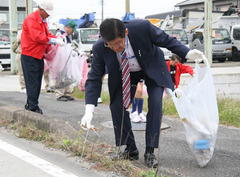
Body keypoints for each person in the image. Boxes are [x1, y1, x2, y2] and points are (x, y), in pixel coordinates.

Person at [80, 18, 206, 168]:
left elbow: (167, 40)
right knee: (116, 105)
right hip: (126, 73)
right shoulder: (100, 47)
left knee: (155, 103)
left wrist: (188, 52)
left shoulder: (142, 28)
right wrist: (89, 111)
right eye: (111, 45)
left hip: (151, 67)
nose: (115, 48)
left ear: (126, 33)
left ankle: (150, 151)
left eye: (119, 43)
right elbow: (94, 78)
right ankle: (130, 148)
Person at [21, 0, 64, 114]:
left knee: (36, 81)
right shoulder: (32, 19)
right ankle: (33, 106)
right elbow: (37, 37)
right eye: (47, 12)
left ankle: (30, 104)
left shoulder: (42, 20)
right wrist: (54, 40)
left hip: (38, 55)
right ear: (41, 10)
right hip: (30, 55)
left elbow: (46, 34)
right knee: (33, 81)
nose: (49, 15)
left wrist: (56, 37)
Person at [55, 20, 78, 102]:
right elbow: (57, 45)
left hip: (67, 58)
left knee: (68, 75)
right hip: (60, 57)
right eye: (72, 30)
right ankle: (59, 94)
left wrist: (77, 51)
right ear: (67, 27)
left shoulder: (68, 36)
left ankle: (66, 93)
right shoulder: (60, 34)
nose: (72, 32)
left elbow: (71, 45)